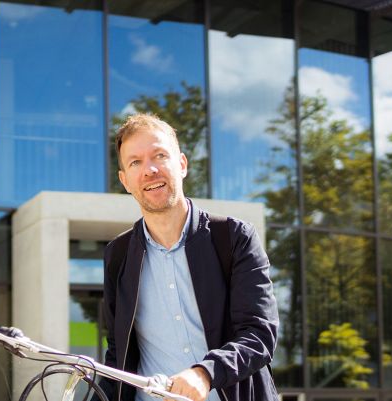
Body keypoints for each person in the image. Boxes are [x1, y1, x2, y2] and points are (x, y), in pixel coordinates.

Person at [100, 114, 279, 401]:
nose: (150, 170)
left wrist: (205, 372)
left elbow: (259, 334)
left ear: (181, 164)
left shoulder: (234, 237)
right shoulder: (118, 255)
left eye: (160, 155)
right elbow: (118, 351)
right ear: (125, 180)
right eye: (135, 162)